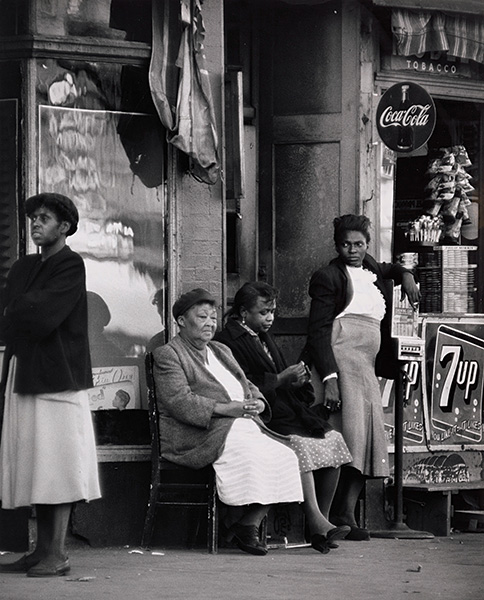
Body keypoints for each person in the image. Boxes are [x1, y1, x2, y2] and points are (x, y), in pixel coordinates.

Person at [152, 288, 304, 556]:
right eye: (202, 317)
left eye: (213, 317)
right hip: (198, 433)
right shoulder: (169, 354)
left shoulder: (221, 349)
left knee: (286, 455)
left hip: (241, 424)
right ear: (181, 321)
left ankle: (248, 522)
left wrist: (258, 401)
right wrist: (228, 409)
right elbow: (179, 402)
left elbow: (247, 384)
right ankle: (232, 523)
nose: (210, 323)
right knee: (248, 450)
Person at [0, 193, 101, 577]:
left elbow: (42, 316)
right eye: (32, 218)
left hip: (58, 378)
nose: (35, 224)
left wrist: (18, 308)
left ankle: (57, 554)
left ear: (65, 226)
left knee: (56, 465)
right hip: (25, 372)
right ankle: (40, 550)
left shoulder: (70, 265)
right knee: (34, 464)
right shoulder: (25, 266)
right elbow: (9, 314)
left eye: (44, 218)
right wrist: (20, 309)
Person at [303, 214, 420, 540]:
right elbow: (318, 331)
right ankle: (325, 518)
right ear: (336, 245)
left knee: (365, 440)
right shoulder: (328, 277)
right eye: (345, 244)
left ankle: (347, 512)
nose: (352, 250)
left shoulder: (370, 267)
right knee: (342, 438)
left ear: (367, 244)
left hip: (366, 367)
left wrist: (406, 275)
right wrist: (329, 378)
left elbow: (390, 268)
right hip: (340, 362)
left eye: (359, 244)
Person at [215, 282, 352, 552]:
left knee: (333, 439)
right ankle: (317, 524)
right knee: (298, 447)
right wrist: (279, 379)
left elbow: (279, 377)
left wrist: (296, 380)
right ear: (243, 312)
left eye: (273, 312)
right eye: (263, 312)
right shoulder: (226, 342)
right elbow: (240, 386)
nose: (270, 319)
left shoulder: (261, 336)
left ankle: (321, 522)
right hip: (266, 417)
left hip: (290, 410)